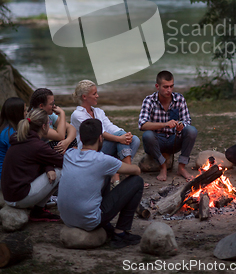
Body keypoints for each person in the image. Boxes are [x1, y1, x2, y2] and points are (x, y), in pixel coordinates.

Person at [58, 118, 143, 248]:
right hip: (90, 221)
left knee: (104, 175)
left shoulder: (69, 154)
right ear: (100, 138)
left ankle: (108, 227)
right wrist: (117, 165)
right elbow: (136, 171)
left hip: (67, 218)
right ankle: (120, 233)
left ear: (81, 139)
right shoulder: (103, 160)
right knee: (137, 181)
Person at [70, 80, 140, 185]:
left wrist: (125, 135)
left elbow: (109, 127)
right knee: (120, 140)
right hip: (89, 151)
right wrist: (119, 138)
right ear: (84, 97)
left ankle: (115, 172)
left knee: (135, 140)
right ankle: (129, 175)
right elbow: (98, 132)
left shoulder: (98, 112)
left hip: (101, 146)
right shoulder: (77, 115)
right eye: (94, 94)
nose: (97, 96)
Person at [1, 108, 63, 222]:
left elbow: (40, 158)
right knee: (60, 171)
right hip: (19, 197)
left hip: (10, 194)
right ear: (44, 127)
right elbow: (63, 161)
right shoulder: (37, 145)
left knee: (52, 169)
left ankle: (39, 209)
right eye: (49, 123)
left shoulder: (21, 137)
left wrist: (48, 167)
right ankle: (38, 211)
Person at [138, 70, 197, 181]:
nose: (169, 90)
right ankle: (163, 167)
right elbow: (142, 124)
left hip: (174, 140)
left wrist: (181, 126)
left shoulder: (179, 99)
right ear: (157, 86)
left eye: (171, 86)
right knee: (147, 135)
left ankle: (181, 167)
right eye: (165, 87)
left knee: (191, 130)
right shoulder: (149, 100)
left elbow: (187, 120)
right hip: (157, 142)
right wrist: (165, 124)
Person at [29, 88, 77, 153]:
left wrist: (67, 142)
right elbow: (60, 136)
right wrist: (62, 113)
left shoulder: (48, 114)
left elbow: (71, 128)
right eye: (51, 104)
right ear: (41, 106)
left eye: (54, 103)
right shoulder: (35, 118)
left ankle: (72, 161)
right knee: (59, 144)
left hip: (45, 146)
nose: (54, 106)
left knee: (71, 140)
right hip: (37, 150)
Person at [0, 97, 27, 180]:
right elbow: (16, 159)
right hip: (6, 178)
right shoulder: (10, 134)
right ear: (17, 114)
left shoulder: (5, 128)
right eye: (25, 111)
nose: (27, 113)